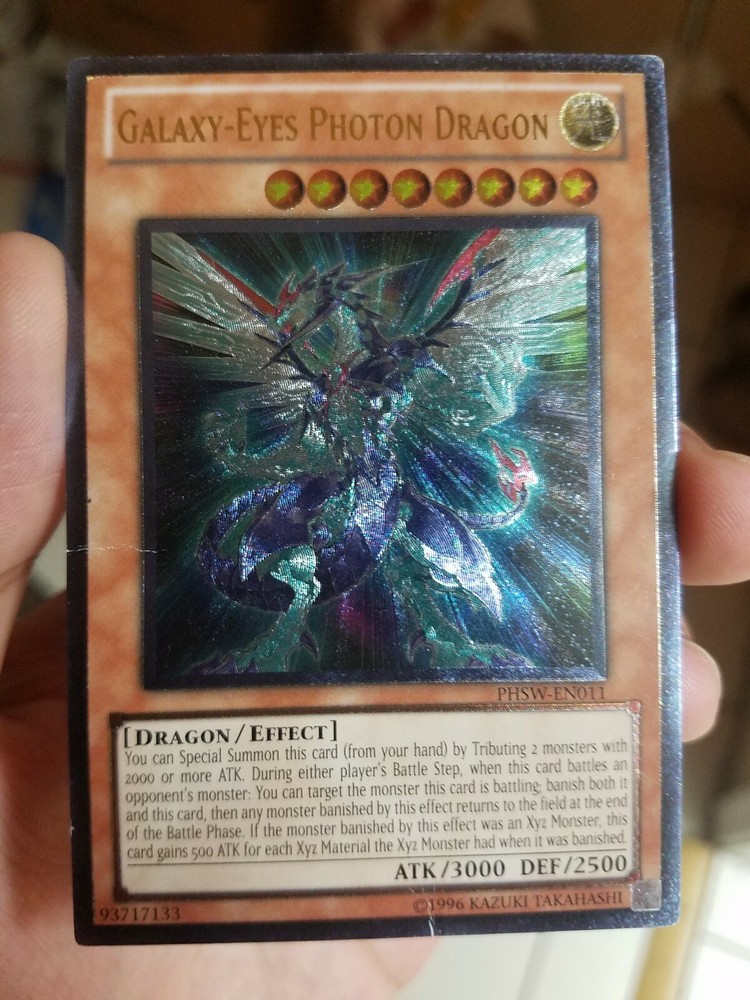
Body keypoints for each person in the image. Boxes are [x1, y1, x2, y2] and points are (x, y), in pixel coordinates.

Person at [0, 231, 745, 998]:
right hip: (329, 502)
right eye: (318, 329)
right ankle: (282, 649)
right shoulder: (315, 376)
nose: (326, 336)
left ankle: (427, 637)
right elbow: (281, 433)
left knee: (419, 567)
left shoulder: (406, 364)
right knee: (304, 574)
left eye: (335, 326)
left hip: (393, 492)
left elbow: (459, 409)